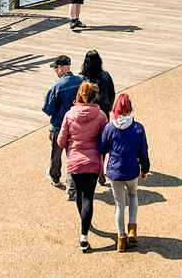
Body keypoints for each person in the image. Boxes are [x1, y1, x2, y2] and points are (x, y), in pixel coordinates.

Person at [58, 81, 109, 253]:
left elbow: (60, 141)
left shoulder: (69, 115)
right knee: (88, 197)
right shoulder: (101, 116)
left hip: (75, 161)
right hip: (93, 161)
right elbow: (105, 141)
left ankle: (84, 223)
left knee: (80, 195)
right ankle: (83, 236)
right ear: (95, 97)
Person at [99, 93, 150, 253]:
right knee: (133, 196)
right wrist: (145, 169)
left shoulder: (109, 127)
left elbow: (102, 149)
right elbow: (143, 152)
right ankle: (133, 227)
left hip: (115, 172)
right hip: (132, 170)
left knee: (119, 205)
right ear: (130, 109)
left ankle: (121, 239)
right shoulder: (138, 128)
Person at [43, 55, 83, 196]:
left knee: (56, 154)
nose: (55, 70)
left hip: (59, 126)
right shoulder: (81, 82)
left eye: (55, 68)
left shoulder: (57, 86)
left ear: (61, 67)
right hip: (76, 126)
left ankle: (55, 177)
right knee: (72, 156)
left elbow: (48, 109)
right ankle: (71, 189)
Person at [80, 50, 116, 122]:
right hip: (103, 110)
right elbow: (112, 93)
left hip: (87, 113)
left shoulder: (82, 78)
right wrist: (109, 106)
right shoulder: (106, 75)